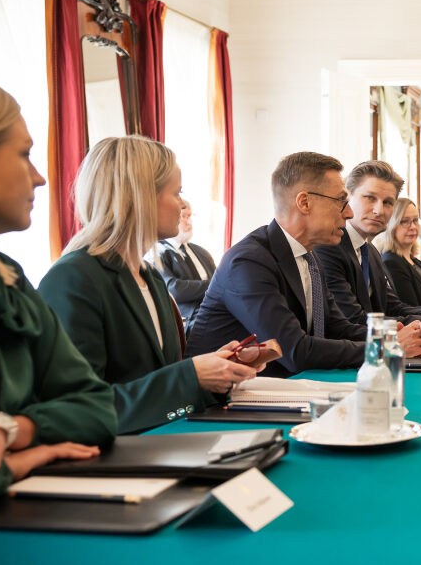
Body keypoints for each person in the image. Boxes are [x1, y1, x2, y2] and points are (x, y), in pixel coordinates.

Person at [39, 137, 261, 434]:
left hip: (161, 442)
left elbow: (160, 394)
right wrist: (190, 376)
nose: (182, 204)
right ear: (140, 197)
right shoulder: (73, 279)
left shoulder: (151, 278)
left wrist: (216, 376)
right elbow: (76, 410)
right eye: (177, 192)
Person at [185, 152, 421, 377]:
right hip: (222, 402)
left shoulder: (308, 255)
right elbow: (293, 350)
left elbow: (336, 327)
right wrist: (386, 348)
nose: (348, 213)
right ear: (304, 202)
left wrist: (399, 336)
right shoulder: (249, 262)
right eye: (341, 201)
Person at [0, 82, 116, 497]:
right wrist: (13, 465)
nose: (40, 178)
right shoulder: (73, 275)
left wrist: (13, 430)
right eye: (24, 154)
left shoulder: (8, 278)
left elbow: (97, 408)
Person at [314, 160, 421, 336]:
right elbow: (352, 319)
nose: (379, 210)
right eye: (370, 198)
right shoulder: (328, 247)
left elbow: (392, 307)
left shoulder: (370, 252)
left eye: (387, 202)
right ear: (347, 197)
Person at [156, 198, 217, 335]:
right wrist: (213, 285)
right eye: (184, 217)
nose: (189, 222)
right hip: (188, 318)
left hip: (215, 309)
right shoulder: (159, 252)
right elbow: (174, 289)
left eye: (190, 216)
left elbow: (221, 280)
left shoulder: (202, 252)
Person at [381, 198, 421, 307]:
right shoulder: (391, 262)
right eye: (404, 221)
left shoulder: (417, 263)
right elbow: (408, 309)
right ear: (391, 225)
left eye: (415, 220)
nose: (413, 227)